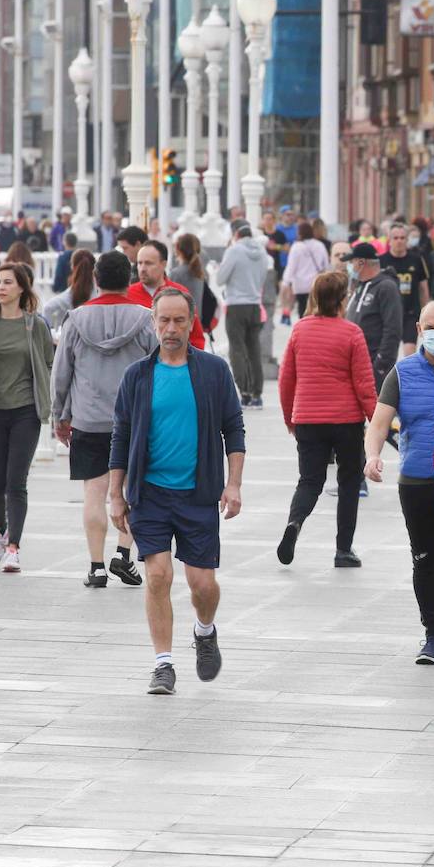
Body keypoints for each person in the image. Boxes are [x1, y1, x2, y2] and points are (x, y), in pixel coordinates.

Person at [109, 289, 246, 696]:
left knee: (203, 585)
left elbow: (233, 428)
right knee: (158, 576)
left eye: (179, 321)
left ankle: (205, 631)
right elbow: (121, 435)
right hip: (149, 494)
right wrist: (116, 494)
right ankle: (163, 664)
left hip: (198, 494)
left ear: (191, 324)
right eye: (163, 321)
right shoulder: (137, 376)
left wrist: (233, 483)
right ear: (153, 323)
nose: (171, 329)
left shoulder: (213, 371)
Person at [363, 301, 434, 662]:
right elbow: (378, 423)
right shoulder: (402, 372)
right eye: (429, 326)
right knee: (425, 560)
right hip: (417, 482)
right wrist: (372, 456)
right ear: (419, 329)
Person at [52, 250, 155, 589]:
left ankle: (96, 566)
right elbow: (160, 369)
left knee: (94, 494)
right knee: (134, 491)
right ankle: (124, 555)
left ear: (96, 279)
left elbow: (61, 373)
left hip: (88, 419)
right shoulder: (144, 319)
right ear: (130, 280)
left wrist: (60, 415)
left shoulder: (76, 319)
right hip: (136, 420)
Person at [277, 271, 377, 569]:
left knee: (309, 480)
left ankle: (295, 523)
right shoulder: (351, 332)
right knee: (348, 482)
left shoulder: (299, 330)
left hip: (308, 418)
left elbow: (286, 379)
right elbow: (364, 383)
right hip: (346, 421)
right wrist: (378, 420)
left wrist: (289, 416)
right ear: (342, 299)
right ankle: (343, 550)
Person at [0, 263, 55, 573]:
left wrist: (42, 391)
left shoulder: (35, 326)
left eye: (7, 282)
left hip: (25, 411)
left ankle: (14, 547)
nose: (1, 287)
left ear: (21, 288)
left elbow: (47, 361)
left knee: (16, 482)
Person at [217, 224, 271, 407]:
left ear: (236, 234)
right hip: (255, 305)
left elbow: (220, 278)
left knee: (238, 350)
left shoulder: (234, 251)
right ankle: (257, 393)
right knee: (254, 350)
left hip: (236, 305)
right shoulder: (262, 252)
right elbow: (263, 277)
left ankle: (245, 392)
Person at [344, 242, 403, 395]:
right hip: (357, 362)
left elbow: (393, 328)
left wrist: (381, 362)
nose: (350, 266)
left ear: (361, 262)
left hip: (375, 364)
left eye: (352, 262)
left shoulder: (386, 287)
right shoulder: (361, 286)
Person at [127, 240, 207, 351]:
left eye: (149, 263)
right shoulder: (128, 294)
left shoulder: (180, 293)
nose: (142, 269)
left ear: (163, 264)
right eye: (140, 263)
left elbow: (196, 336)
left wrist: (193, 364)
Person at [379, 223, 432, 357]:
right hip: (387, 314)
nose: (399, 241)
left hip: (410, 313)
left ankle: (407, 377)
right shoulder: (381, 261)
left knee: (409, 353)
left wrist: (426, 313)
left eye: (402, 238)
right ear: (389, 240)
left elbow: (423, 288)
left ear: (407, 240)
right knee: (387, 354)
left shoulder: (416, 259)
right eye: (395, 238)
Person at [280, 222, 330, 321]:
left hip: (300, 285)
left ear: (300, 233)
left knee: (302, 310)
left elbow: (291, 266)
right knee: (316, 310)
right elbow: (326, 264)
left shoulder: (296, 247)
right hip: (316, 283)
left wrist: (286, 282)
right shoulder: (319, 245)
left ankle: (304, 330)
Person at [44, 248, 96, 332]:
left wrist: (49, 333)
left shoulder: (70, 294)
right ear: (94, 267)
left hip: (70, 340)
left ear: (72, 266)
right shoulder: (99, 291)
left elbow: (48, 308)